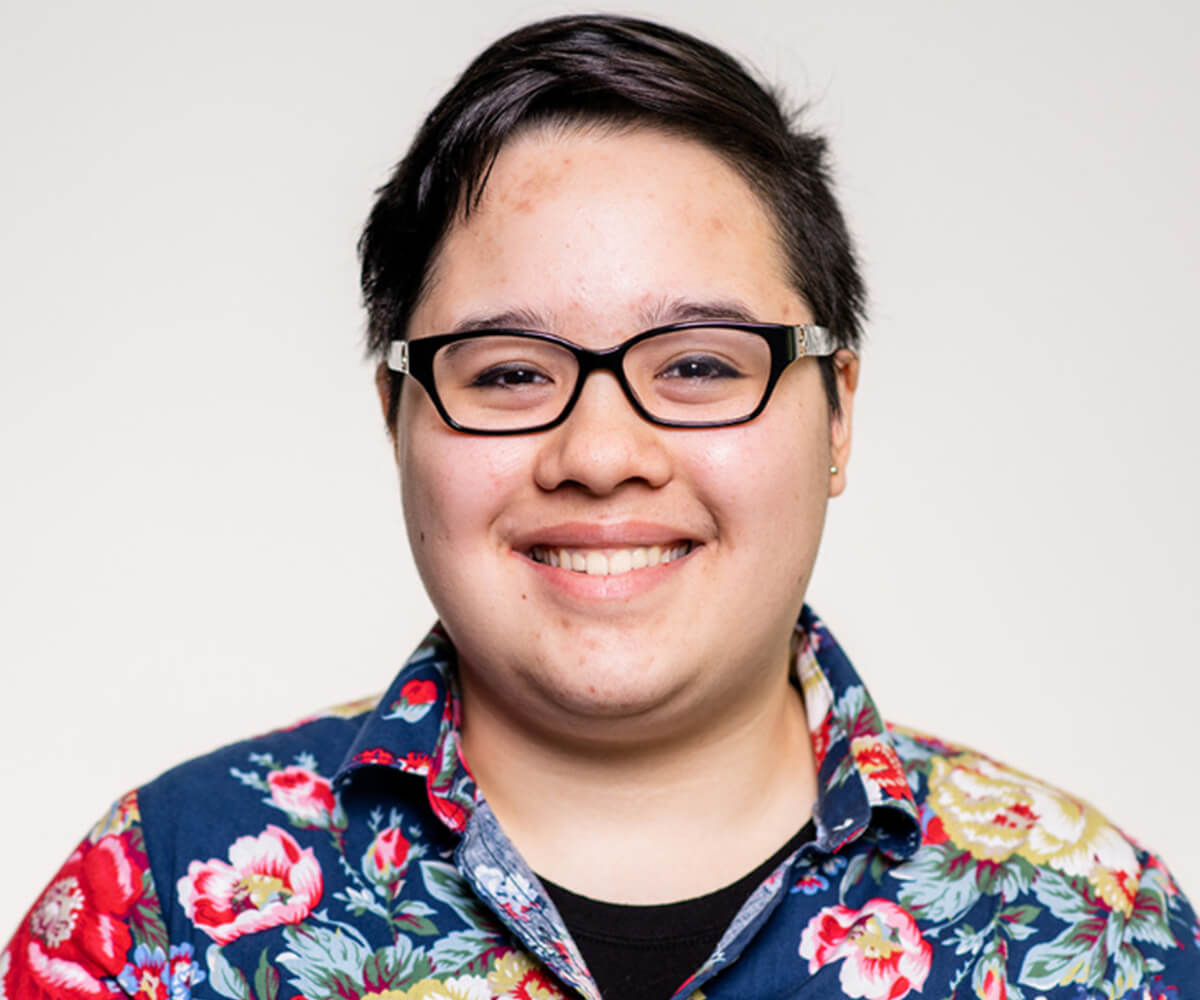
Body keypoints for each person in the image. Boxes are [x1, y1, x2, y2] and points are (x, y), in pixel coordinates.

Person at [3, 14, 1197, 1000]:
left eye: (698, 364)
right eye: (511, 373)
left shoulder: (1089, 923)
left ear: (836, 413)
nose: (602, 452)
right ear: (399, 420)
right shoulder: (162, 902)